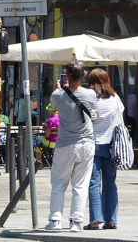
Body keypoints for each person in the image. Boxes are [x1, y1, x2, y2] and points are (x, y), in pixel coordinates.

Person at [45, 61, 96, 233]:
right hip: (86, 144)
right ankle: (76, 222)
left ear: (67, 75)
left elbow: (52, 106)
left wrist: (59, 88)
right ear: (83, 76)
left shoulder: (58, 95)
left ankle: (55, 221)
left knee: (59, 183)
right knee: (80, 185)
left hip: (65, 144)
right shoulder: (90, 94)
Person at [83, 68, 123, 230]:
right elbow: (120, 119)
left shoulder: (89, 98)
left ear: (91, 82)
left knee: (93, 183)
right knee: (110, 184)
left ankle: (95, 221)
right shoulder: (115, 98)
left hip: (92, 144)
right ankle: (111, 220)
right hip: (111, 146)